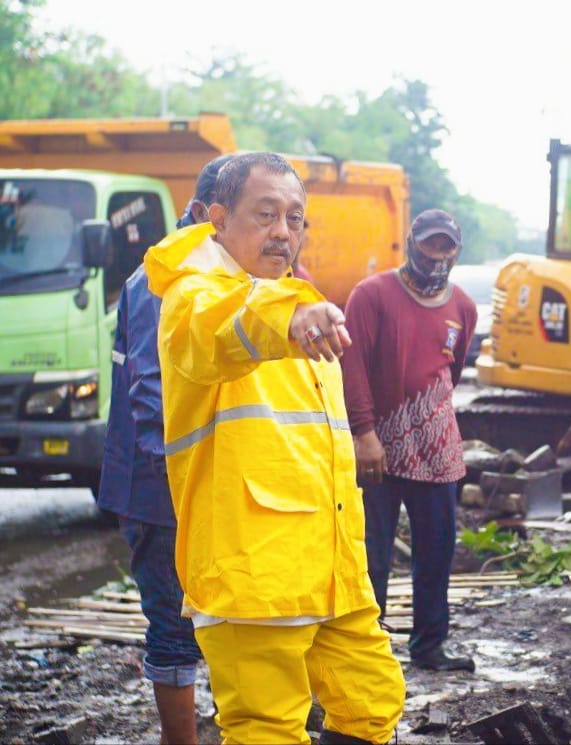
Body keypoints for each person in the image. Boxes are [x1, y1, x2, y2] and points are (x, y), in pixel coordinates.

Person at [144, 152, 404, 745]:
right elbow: (229, 324)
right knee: (266, 730)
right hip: (252, 572)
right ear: (217, 220)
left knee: (371, 707)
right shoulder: (195, 298)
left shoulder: (292, 301)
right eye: (265, 215)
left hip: (332, 569)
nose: (283, 232)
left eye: (294, 217)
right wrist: (293, 313)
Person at [96, 153, 232, 745]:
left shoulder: (215, 272)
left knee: (218, 618)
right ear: (206, 213)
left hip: (197, 480)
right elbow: (154, 396)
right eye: (256, 215)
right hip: (165, 487)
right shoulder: (166, 278)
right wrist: (191, 487)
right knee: (175, 625)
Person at [341, 208, 477, 673]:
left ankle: (429, 646)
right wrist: (364, 433)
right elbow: (351, 366)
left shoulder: (463, 305)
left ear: (457, 251)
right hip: (379, 444)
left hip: (439, 447)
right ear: (412, 242)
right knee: (372, 555)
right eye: (430, 245)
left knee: (437, 549)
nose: (437, 255)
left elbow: (452, 371)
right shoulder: (372, 295)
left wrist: (430, 421)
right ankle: (369, 653)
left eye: (447, 247)